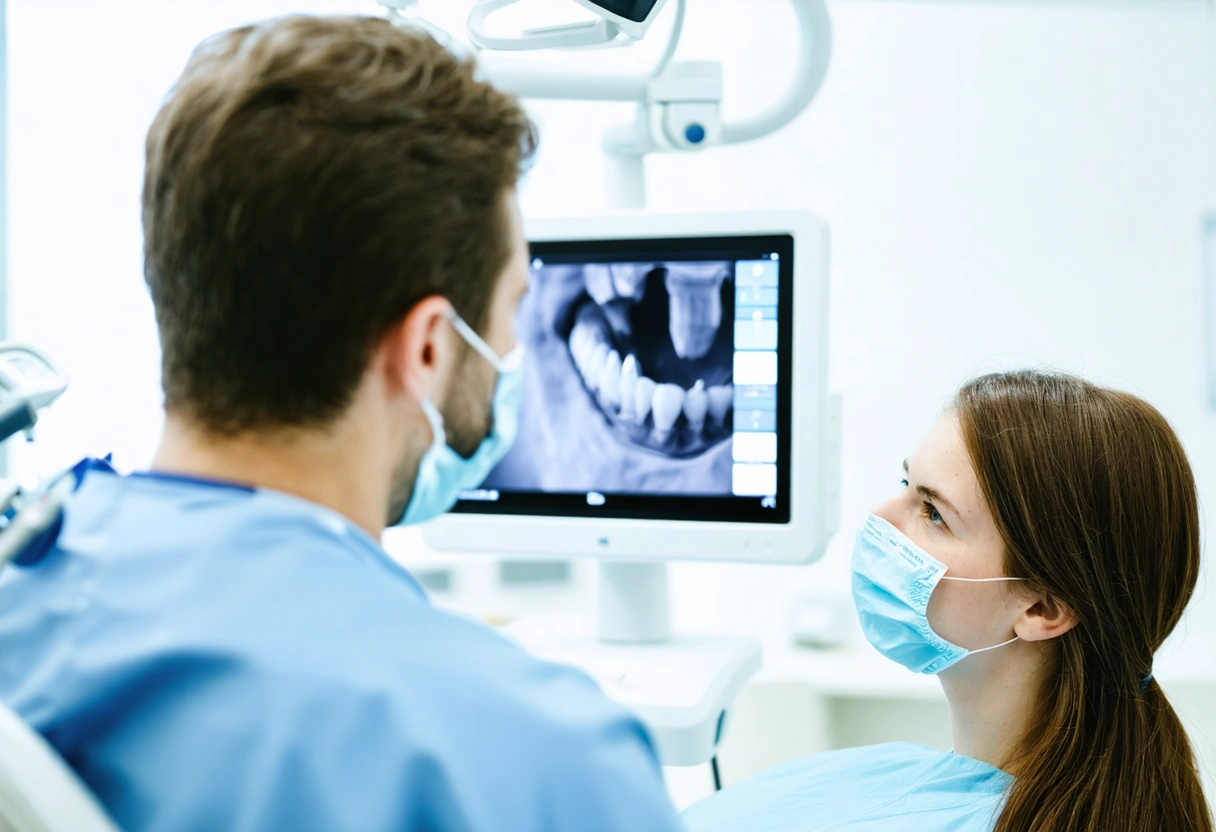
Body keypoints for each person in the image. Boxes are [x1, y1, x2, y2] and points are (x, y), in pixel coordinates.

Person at [0, 15, 685, 832]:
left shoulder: (27, 601)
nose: (509, 354)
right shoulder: (541, 758)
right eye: (512, 313)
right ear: (429, 347)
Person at [683, 370, 1214, 831]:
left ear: (1042, 610)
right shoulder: (898, 776)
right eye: (905, 483)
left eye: (933, 512)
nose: (882, 516)